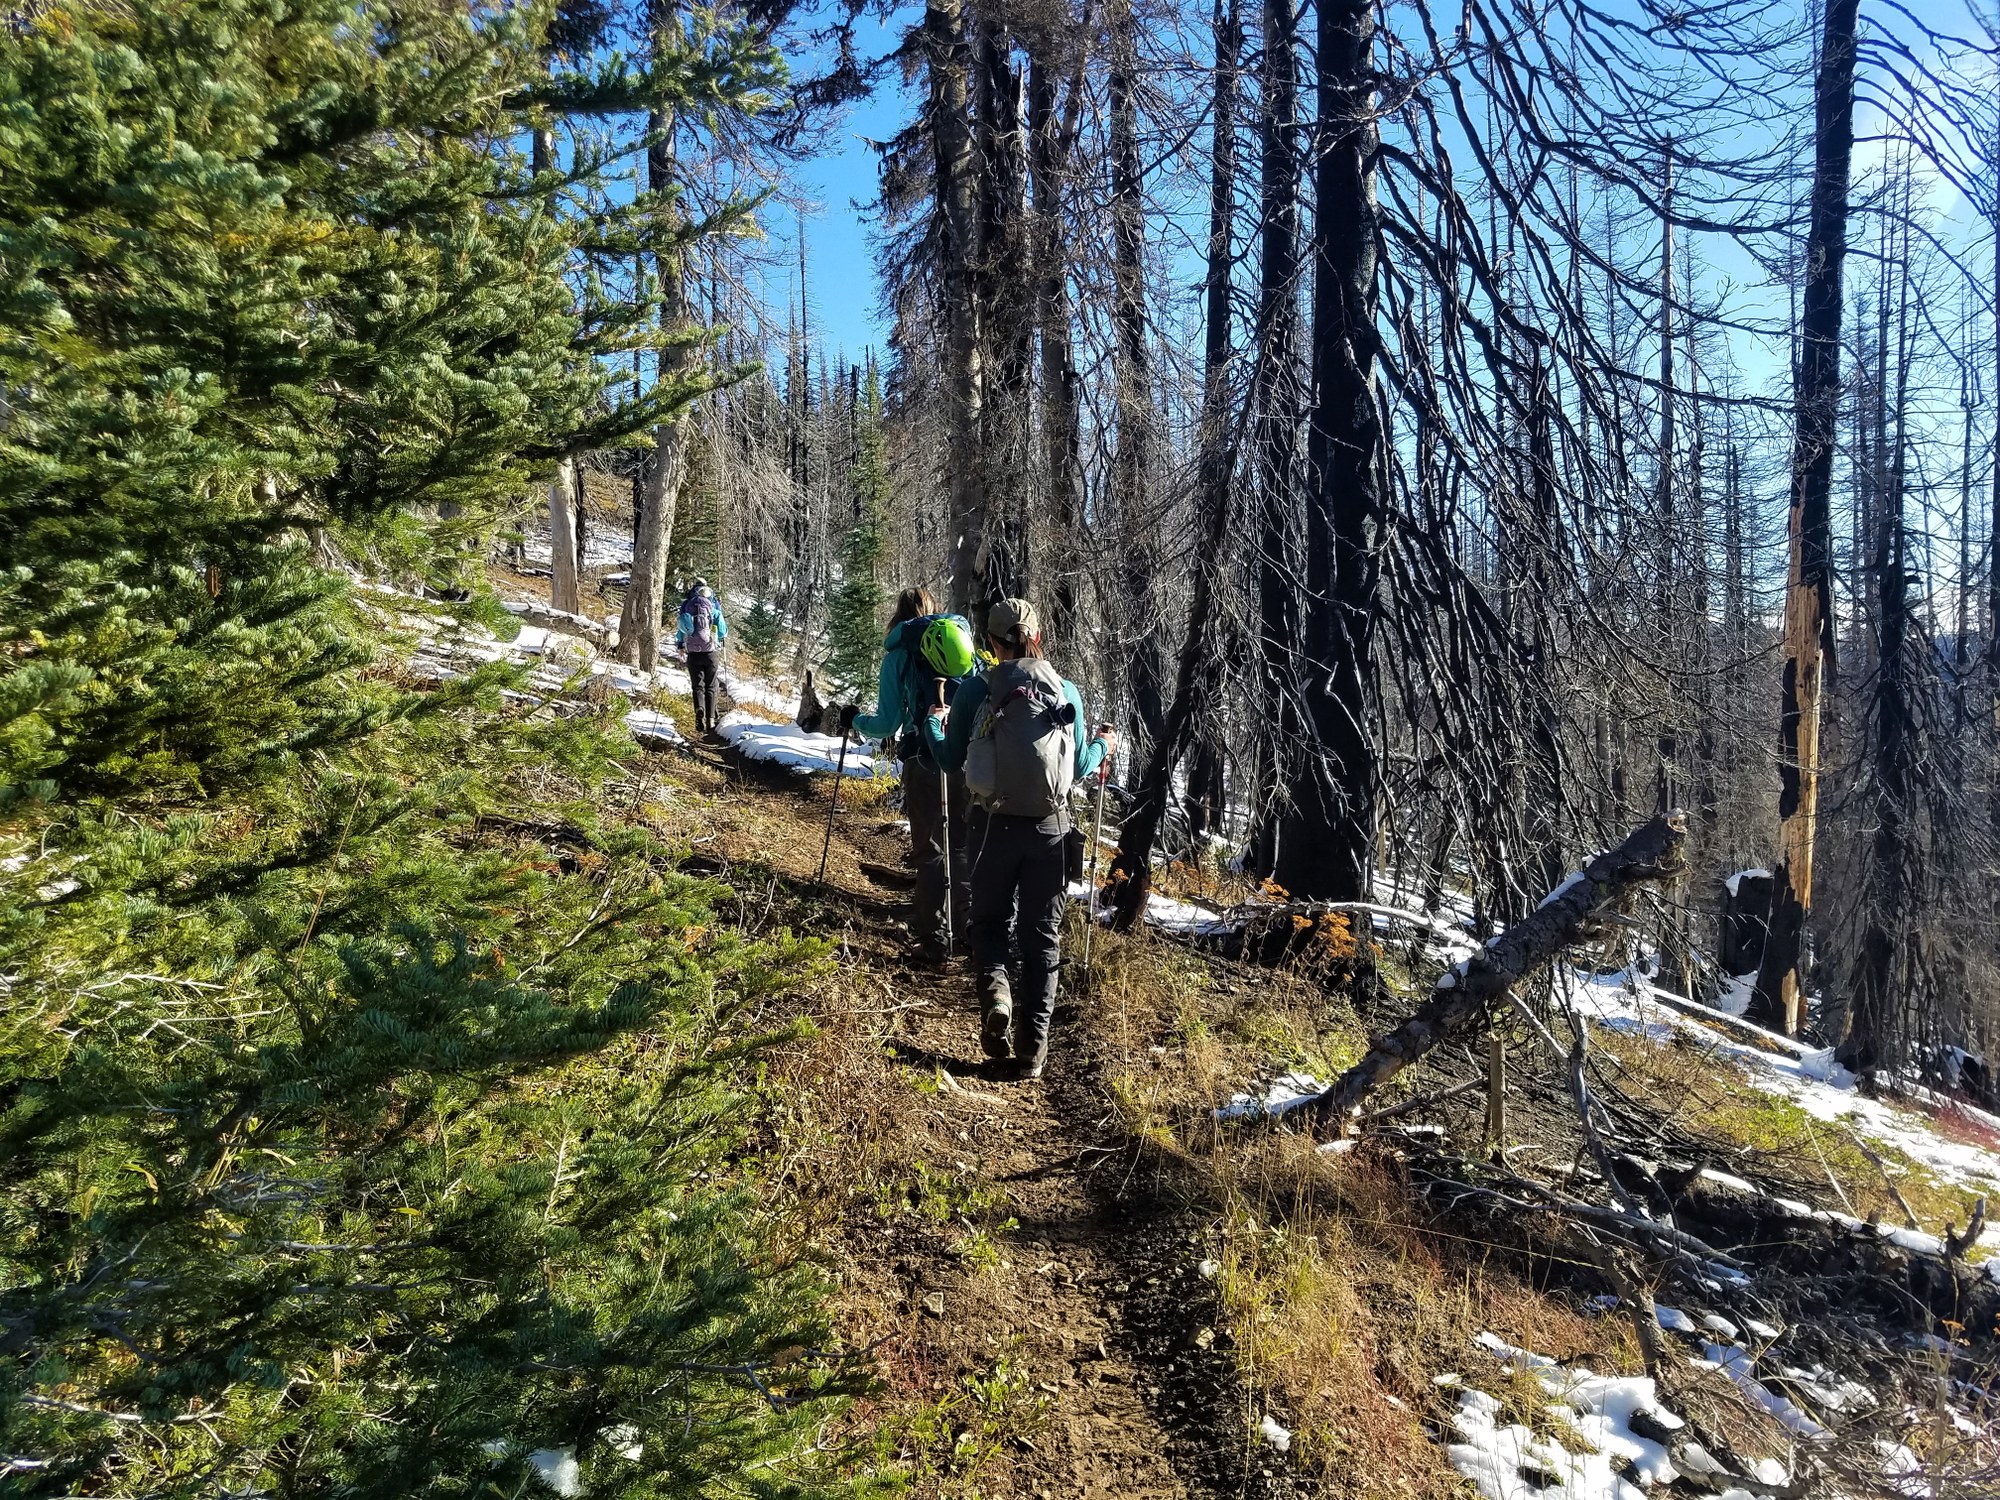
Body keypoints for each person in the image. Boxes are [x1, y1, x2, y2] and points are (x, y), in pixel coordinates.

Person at [921, 598, 1116, 1080]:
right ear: (1038, 637)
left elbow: (949, 760)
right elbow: (1079, 766)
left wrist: (933, 723)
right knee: (1042, 936)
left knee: (989, 921)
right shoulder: (1066, 690)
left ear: (991, 642)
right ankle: (1033, 1049)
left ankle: (997, 996)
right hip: (1051, 829)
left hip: (991, 825)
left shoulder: (977, 689)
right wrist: (1103, 745)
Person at [840, 588, 975, 963]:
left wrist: (855, 720)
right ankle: (968, 928)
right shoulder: (960, 643)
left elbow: (887, 724)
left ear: (898, 617)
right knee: (960, 845)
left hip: (923, 758)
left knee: (929, 849)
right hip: (963, 757)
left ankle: (933, 938)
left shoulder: (899, 654)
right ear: (934, 611)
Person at [674, 578, 727, 733]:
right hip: (711, 652)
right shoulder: (714, 609)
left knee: (697, 686)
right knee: (711, 685)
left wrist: (680, 645)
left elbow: (681, 629)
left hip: (693, 653)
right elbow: (722, 632)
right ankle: (710, 719)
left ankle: (699, 711)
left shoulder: (688, 607)